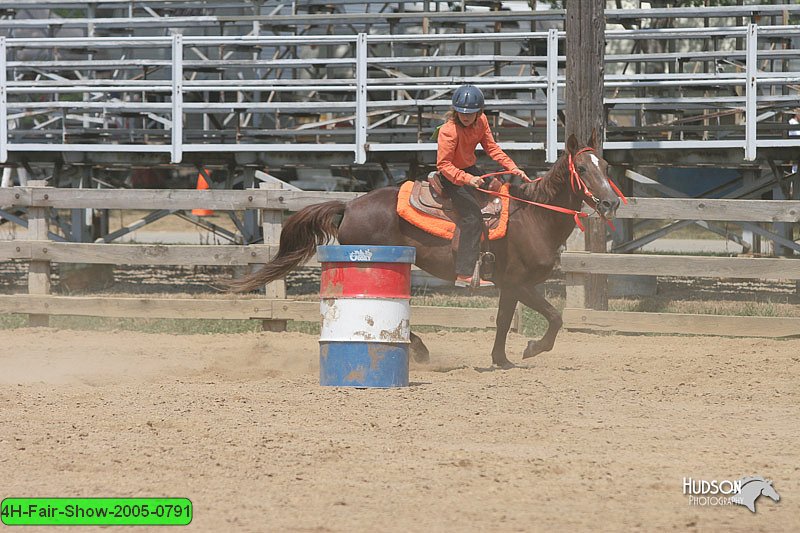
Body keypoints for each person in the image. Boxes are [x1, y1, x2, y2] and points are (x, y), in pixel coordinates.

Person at [436, 84, 529, 287]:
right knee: (472, 217)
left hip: (470, 169)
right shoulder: (448, 131)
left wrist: (512, 167)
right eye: (461, 112)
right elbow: (443, 165)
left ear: (479, 112)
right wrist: (468, 180)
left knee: (499, 196)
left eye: (470, 113)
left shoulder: (482, 122)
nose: (465, 116)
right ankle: (463, 273)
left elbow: (492, 147)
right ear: (455, 111)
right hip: (451, 177)